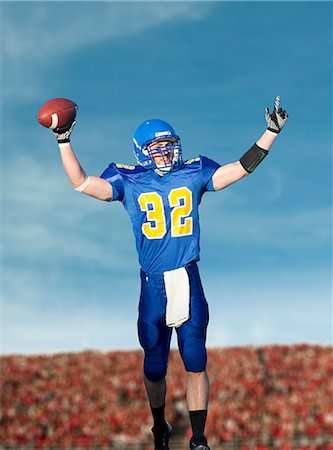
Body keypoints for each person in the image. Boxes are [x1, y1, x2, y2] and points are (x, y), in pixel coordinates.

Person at [49, 97, 288, 450]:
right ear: (142, 151)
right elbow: (82, 183)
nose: (166, 153)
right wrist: (63, 141)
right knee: (155, 365)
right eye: (158, 147)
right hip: (152, 284)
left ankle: (199, 438)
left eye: (169, 146)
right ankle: (159, 425)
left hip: (188, 278)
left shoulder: (194, 171)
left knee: (195, 359)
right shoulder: (127, 178)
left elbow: (238, 169)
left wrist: (269, 133)